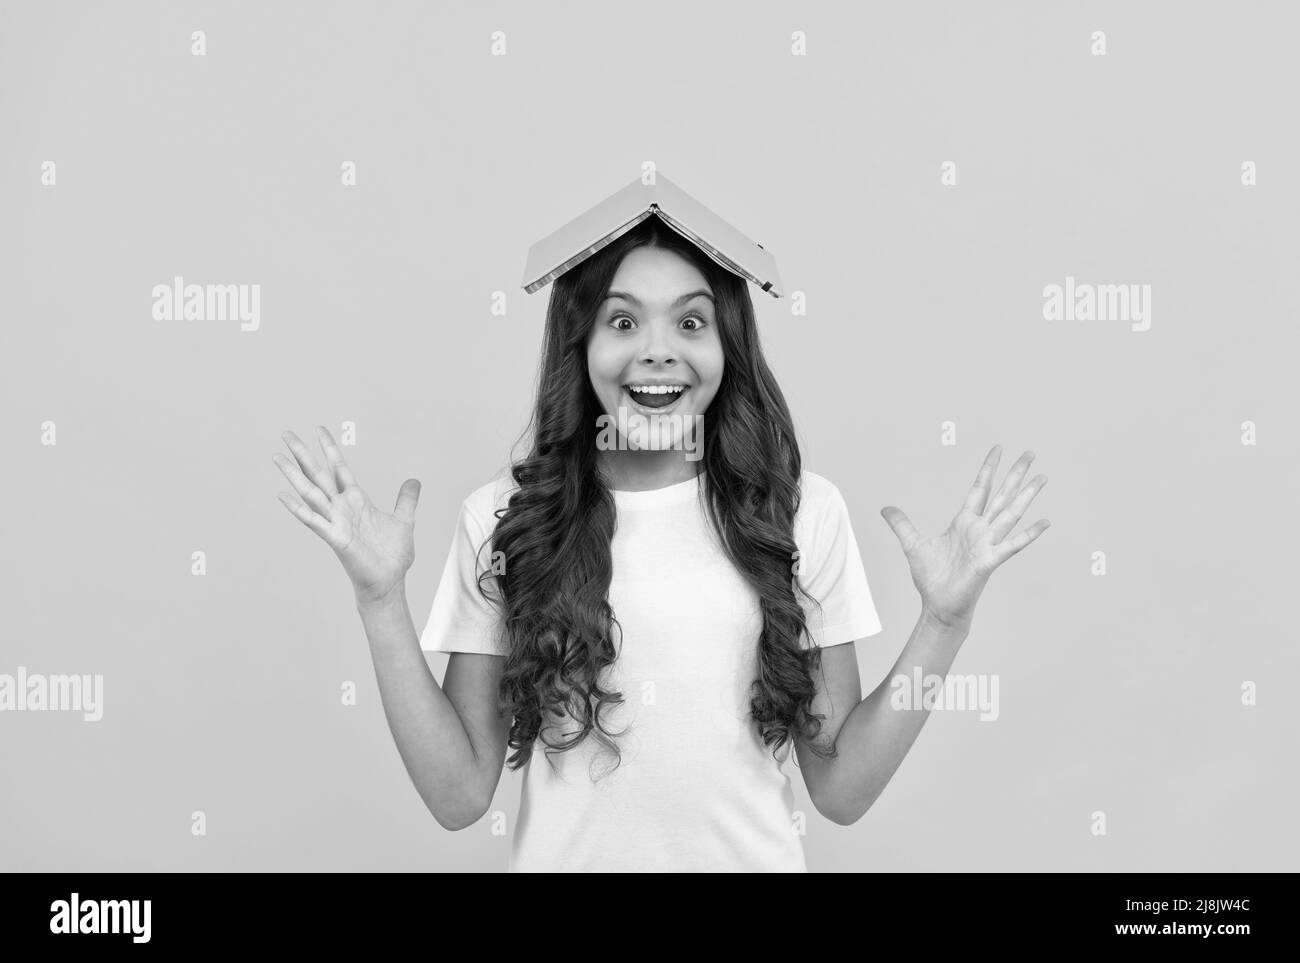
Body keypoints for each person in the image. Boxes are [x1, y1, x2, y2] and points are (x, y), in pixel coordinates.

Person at [272, 196, 1050, 873]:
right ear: (580, 347)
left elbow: (841, 788)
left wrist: (945, 622)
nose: (657, 348)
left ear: (726, 348)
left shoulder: (800, 511)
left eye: (690, 319)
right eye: (621, 320)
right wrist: (380, 599)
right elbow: (458, 794)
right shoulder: (507, 518)